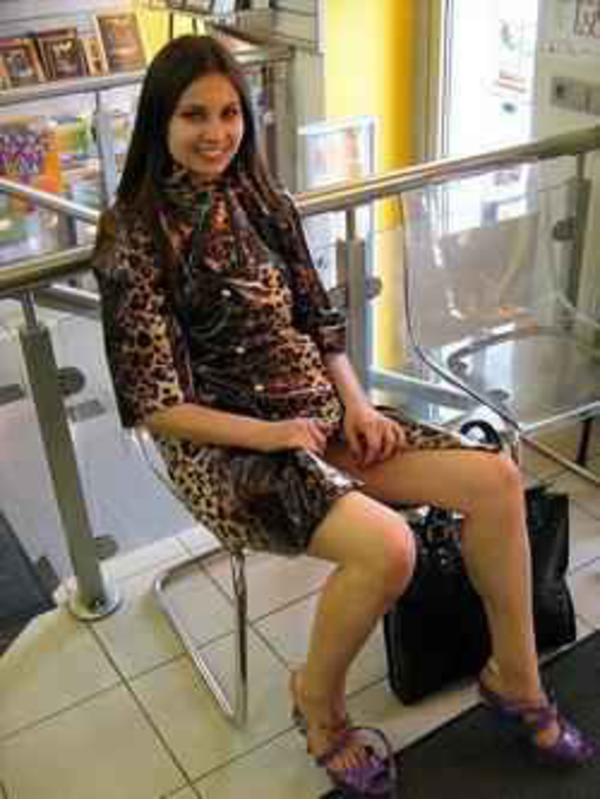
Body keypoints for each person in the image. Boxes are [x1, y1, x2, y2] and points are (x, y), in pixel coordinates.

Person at [93, 34, 596, 797]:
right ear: (160, 119)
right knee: (389, 547)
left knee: (495, 478)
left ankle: (514, 678)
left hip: (319, 413)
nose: (216, 132)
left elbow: (320, 323)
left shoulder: (263, 199)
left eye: (230, 113)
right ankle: (318, 704)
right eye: (194, 114)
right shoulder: (132, 232)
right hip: (227, 449)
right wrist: (274, 434)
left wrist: (356, 404)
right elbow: (155, 405)